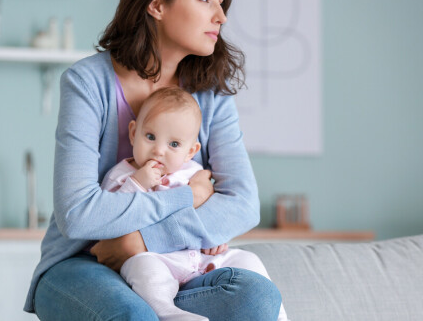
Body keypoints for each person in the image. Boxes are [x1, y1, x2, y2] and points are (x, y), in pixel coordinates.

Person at [24, 0, 283, 320]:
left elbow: (244, 204)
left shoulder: (211, 94)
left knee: (256, 297)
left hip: (175, 263)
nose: (221, 16)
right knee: (133, 316)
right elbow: (77, 214)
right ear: (157, 4)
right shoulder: (88, 82)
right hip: (85, 263)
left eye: (221, 3)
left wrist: (140, 242)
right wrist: (185, 197)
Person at [96, 86, 289, 321]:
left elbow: (216, 211)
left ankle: (280, 316)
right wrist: (138, 183)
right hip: (157, 257)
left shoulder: (194, 174)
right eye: (150, 137)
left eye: (174, 144)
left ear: (191, 151)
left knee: (249, 260)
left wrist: (215, 235)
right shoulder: (121, 176)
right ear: (133, 132)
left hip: (199, 258)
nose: (158, 150)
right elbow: (109, 217)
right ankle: (167, 312)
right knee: (143, 270)